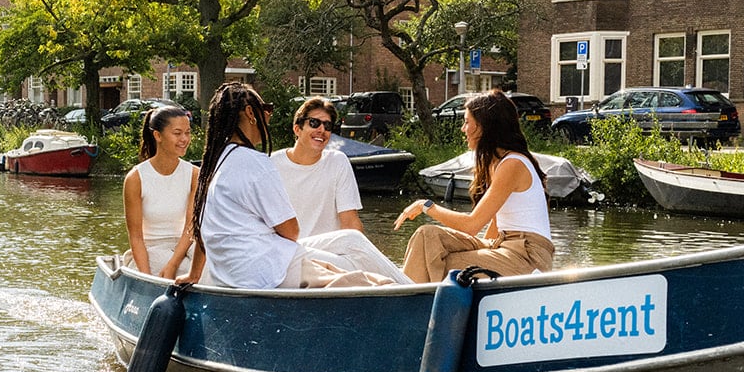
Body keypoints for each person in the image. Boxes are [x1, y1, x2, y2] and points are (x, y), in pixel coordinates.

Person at [185, 82, 410, 289]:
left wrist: (194, 275)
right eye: (266, 107)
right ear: (251, 113)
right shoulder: (259, 163)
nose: (269, 115)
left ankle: (406, 287)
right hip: (269, 270)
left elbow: (201, 228)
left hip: (238, 270)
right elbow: (291, 231)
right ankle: (417, 293)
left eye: (328, 125)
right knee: (355, 252)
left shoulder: (216, 163)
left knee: (349, 245)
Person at [394, 89, 555, 282]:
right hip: (502, 246)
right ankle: (410, 296)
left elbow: (471, 225)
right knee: (427, 235)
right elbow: (495, 225)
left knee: (438, 260)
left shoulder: (513, 164)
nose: (463, 128)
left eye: (467, 121)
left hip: (528, 256)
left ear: (484, 126)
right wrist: (480, 247)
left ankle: (406, 302)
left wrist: (426, 206)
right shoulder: (497, 163)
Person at [271, 97, 364, 237]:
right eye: (314, 123)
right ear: (297, 129)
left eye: (327, 126)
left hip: (329, 253)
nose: (322, 130)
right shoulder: (272, 165)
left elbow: (350, 223)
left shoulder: (338, 162)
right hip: (288, 253)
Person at [123, 104, 196, 278]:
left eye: (187, 133)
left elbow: (191, 227)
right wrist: (147, 278)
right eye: (177, 133)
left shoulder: (195, 175)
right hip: (151, 250)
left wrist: (173, 264)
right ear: (157, 135)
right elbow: (136, 237)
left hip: (185, 249)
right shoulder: (135, 178)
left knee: (210, 268)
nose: (184, 139)